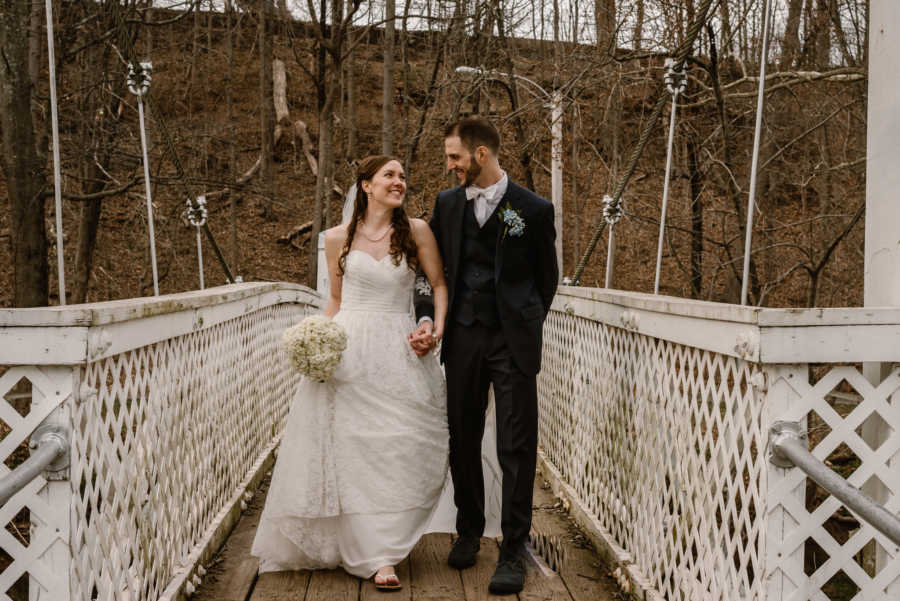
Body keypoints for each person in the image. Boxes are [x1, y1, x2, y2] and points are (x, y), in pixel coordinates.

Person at [250, 155, 450, 590]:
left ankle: (387, 541)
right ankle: (376, 556)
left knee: (400, 445)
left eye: (402, 176)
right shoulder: (337, 238)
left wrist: (433, 327)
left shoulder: (416, 231)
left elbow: (437, 285)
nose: (399, 182)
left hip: (399, 347)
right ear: (366, 185)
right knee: (352, 449)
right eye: (389, 176)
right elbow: (336, 302)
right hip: (350, 349)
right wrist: (316, 342)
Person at [410, 116, 559, 594]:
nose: (449, 166)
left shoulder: (532, 210)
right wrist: (427, 316)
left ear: (480, 155)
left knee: (515, 444)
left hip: (512, 342)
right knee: (463, 436)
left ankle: (513, 549)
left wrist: (524, 321)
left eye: (455, 157)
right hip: (463, 338)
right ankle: (470, 529)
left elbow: (546, 278)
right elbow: (430, 269)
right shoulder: (447, 204)